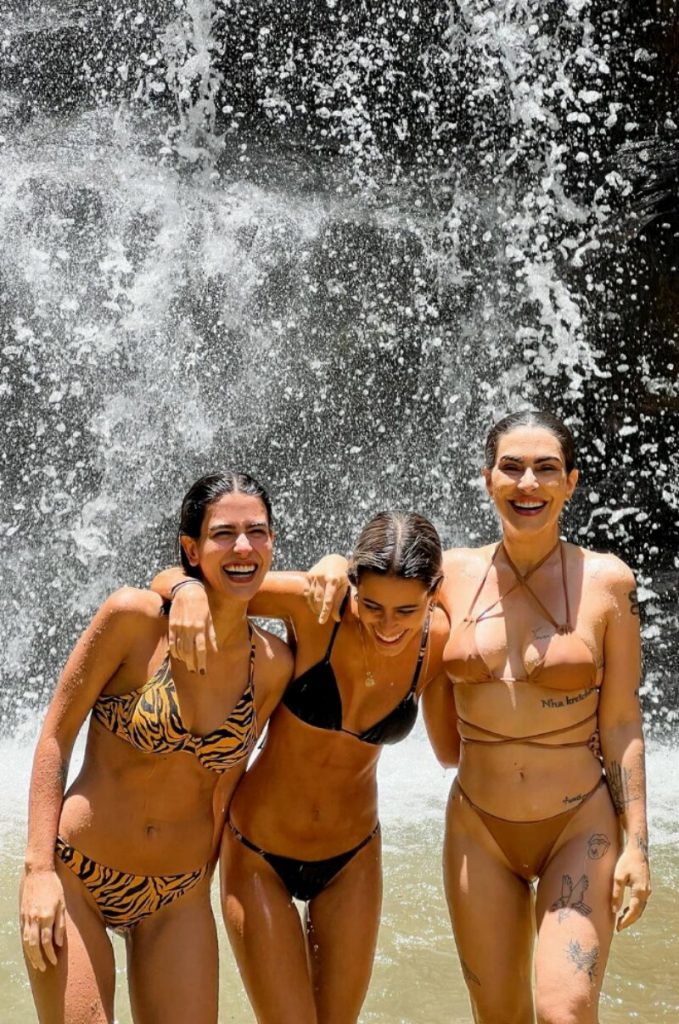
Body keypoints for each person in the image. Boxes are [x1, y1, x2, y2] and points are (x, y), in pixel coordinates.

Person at [310, 410, 651, 1024]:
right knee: (497, 1014)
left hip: (578, 825)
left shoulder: (607, 583)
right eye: (512, 467)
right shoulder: (453, 576)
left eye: (547, 469)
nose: (528, 484)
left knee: (565, 1011)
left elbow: (623, 722)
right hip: (480, 830)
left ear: (571, 483)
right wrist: (335, 563)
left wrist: (638, 848)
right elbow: (380, 592)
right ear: (487, 478)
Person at [156, 510, 451, 1024]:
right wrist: (185, 596)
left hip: (353, 858)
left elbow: (454, 751)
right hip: (258, 854)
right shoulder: (317, 609)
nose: (387, 625)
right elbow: (187, 575)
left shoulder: (440, 642)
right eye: (373, 605)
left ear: (434, 593)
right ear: (353, 583)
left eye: (407, 610)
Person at [19, 471, 292, 1024]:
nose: (242, 547)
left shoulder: (271, 663)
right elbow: (54, 737)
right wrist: (37, 872)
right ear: (191, 548)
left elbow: (228, 783)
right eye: (223, 533)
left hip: (179, 895)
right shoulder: (134, 621)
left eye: (257, 531)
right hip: (79, 880)